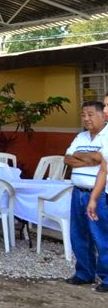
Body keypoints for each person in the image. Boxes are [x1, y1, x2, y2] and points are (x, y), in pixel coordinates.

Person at [64, 101, 108, 287]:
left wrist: (81, 155)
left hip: (99, 194)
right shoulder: (81, 136)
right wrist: (91, 159)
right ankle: (84, 273)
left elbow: (102, 161)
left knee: (101, 236)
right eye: (83, 115)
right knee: (79, 235)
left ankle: (106, 277)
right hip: (78, 192)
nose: (86, 118)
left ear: (102, 115)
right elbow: (67, 159)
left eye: (90, 114)